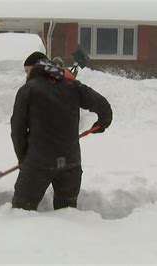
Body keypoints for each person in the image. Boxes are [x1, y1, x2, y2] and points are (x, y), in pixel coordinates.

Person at [10, 51, 112, 211]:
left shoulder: (28, 89)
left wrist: (23, 158)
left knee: (21, 210)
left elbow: (17, 130)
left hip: (38, 162)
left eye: (27, 71)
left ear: (36, 68)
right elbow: (104, 107)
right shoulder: (72, 85)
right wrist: (102, 123)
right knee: (67, 214)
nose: (26, 75)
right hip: (70, 162)